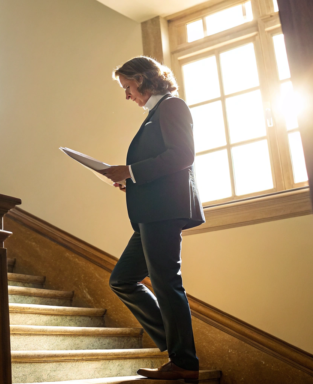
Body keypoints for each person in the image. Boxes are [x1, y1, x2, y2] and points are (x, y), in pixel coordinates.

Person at [99, 56, 205, 381]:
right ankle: (178, 345)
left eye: (127, 87)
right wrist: (130, 180)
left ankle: (184, 361)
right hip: (151, 211)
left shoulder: (172, 107)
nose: (127, 95)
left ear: (143, 80)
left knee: (165, 283)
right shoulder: (155, 114)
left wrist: (130, 171)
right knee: (122, 279)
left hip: (163, 212)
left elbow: (182, 155)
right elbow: (160, 162)